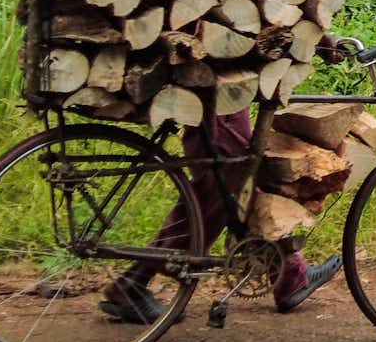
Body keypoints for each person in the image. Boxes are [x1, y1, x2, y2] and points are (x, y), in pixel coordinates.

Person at [98, 107, 340, 324]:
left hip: (223, 87)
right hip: (220, 92)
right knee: (229, 177)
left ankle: (288, 273)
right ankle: (141, 277)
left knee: (235, 177)